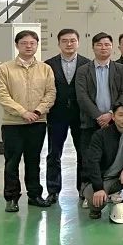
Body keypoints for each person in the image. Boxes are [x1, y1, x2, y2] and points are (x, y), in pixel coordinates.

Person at [0, 30, 56, 212]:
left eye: (32, 43)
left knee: (33, 161)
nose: (28, 46)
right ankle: (11, 198)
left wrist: (37, 111)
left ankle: (34, 195)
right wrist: (23, 112)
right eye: (24, 43)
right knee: (12, 162)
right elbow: (2, 95)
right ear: (17, 45)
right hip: (12, 124)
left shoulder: (45, 69)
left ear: (37, 45)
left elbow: (51, 93)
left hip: (37, 123)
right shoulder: (4, 69)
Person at [43, 28, 90, 203]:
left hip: (81, 115)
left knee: (83, 154)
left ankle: (83, 189)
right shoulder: (48, 65)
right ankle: (53, 191)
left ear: (78, 42)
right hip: (57, 115)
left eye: (72, 40)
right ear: (58, 43)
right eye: (64, 41)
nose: (69, 44)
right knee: (54, 154)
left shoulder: (87, 64)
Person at [81, 102, 123, 219]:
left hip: (120, 178)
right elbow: (93, 163)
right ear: (113, 116)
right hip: (102, 179)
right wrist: (98, 188)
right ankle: (93, 200)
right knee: (96, 203)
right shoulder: (100, 135)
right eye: (121, 115)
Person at [75, 32, 123, 160]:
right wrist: (98, 116)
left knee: (113, 157)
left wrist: (111, 113)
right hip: (90, 121)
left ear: (112, 47)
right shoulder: (83, 70)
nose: (103, 47)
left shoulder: (121, 69)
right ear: (93, 47)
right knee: (90, 158)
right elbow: (82, 96)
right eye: (99, 45)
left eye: (107, 44)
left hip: (114, 121)